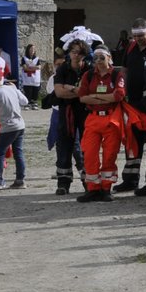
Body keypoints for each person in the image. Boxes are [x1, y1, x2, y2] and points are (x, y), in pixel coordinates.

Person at [77, 47, 128, 202]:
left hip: (111, 119)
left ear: (109, 58)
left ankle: (106, 188)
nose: (98, 61)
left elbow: (119, 96)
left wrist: (96, 96)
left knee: (110, 154)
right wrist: (107, 97)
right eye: (96, 58)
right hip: (93, 119)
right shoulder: (89, 75)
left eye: (101, 58)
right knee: (90, 154)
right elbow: (82, 97)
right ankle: (92, 189)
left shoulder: (115, 74)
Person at [118, 21, 146, 195]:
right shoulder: (131, 48)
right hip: (133, 103)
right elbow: (124, 70)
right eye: (136, 36)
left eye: (142, 35)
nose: (139, 39)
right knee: (132, 142)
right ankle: (130, 179)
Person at [50, 40, 88, 195]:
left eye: (79, 52)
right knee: (64, 147)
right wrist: (77, 91)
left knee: (87, 147)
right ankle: (63, 183)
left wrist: (70, 88)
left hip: (86, 111)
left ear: (84, 54)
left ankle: (88, 181)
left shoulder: (89, 69)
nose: (75, 54)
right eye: (73, 51)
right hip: (67, 112)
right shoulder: (63, 69)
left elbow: (88, 92)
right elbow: (59, 92)